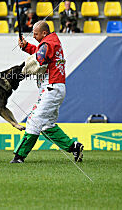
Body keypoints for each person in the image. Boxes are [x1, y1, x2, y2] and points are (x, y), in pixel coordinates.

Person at [12, 20, 84, 163]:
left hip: (51, 88)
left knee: (33, 121)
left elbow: (40, 58)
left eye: (36, 34)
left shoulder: (48, 43)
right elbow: (40, 51)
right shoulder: (50, 42)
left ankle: (19, 156)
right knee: (46, 126)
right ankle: (74, 147)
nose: (33, 36)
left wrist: (25, 68)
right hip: (55, 88)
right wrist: (26, 46)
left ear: (44, 33)